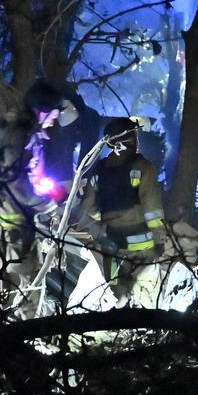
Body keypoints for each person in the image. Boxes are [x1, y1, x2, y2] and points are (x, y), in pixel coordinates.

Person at [72, 117, 169, 304]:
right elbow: (152, 205)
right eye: (134, 135)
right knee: (148, 294)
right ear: (126, 140)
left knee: (117, 292)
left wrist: (97, 229)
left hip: (111, 245)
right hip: (141, 246)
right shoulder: (143, 167)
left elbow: (89, 208)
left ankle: (119, 322)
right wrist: (159, 234)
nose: (137, 139)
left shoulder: (99, 170)